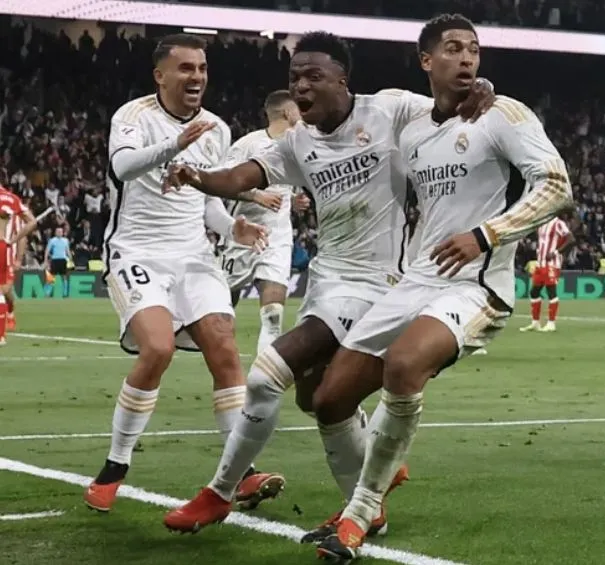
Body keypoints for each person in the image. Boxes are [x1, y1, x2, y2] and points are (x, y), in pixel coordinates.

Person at [158, 31, 497, 536]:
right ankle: (371, 488)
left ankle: (220, 492)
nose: (301, 86)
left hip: (376, 284)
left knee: (264, 376)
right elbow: (240, 178)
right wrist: (196, 177)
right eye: (295, 77)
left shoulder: (389, 110)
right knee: (315, 399)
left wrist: (480, 86)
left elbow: (447, 104)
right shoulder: (297, 142)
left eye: (313, 76)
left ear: (343, 79)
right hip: (326, 282)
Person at [311, 14, 573, 562]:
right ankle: (371, 500)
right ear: (426, 62)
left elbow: (555, 185)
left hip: (476, 286)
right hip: (415, 280)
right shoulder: (410, 130)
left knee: (405, 365)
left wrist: (487, 234)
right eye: (453, 49)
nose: (468, 59)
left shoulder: (502, 113)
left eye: (474, 50)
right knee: (329, 398)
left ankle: (359, 513)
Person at [83, 33, 273, 514]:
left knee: (225, 347)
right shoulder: (133, 116)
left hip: (193, 256)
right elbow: (123, 168)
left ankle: (239, 476)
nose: (196, 77)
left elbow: (207, 201)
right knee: (159, 348)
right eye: (186, 68)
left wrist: (234, 225)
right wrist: (174, 144)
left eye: (202, 69)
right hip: (137, 253)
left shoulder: (217, 128)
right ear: (160, 75)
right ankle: (116, 465)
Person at [217, 90, 299, 353]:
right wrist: (255, 195)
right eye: (298, 109)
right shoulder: (248, 144)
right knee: (221, 312)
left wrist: (295, 200)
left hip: (277, 237)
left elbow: (290, 186)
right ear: (288, 112)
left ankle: (262, 378)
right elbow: (222, 182)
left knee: (274, 315)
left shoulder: (299, 145)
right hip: (241, 235)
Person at [520, 211, 575, 332]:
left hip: (551, 264)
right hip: (540, 263)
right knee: (534, 292)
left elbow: (571, 239)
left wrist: (555, 252)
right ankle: (535, 323)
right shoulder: (541, 224)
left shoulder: (558, 223)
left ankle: (551, 323)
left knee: (551, 292)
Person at [0, 184, 38, 344]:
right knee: (2, 290)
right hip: (4, 248)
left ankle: (8, 314)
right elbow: (32, 222)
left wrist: (18, 258)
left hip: (6, 250)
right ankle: (1, 333)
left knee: (5, 290)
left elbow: (23, 237)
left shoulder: (13, 208)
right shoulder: (12, 200)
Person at [45, 226, 71, 298]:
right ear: (55, 233)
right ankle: (48, 293)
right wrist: (45, 260)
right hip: (55, 260)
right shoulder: (52, 240)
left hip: (63, 260)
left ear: (63, 233)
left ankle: (65, 293)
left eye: (60, 232)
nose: (59, 233)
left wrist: (71, 258)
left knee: (64, 277)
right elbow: (47, 250)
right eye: (58, 231)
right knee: (51, 276)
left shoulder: (66, 240)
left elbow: (67, 250)